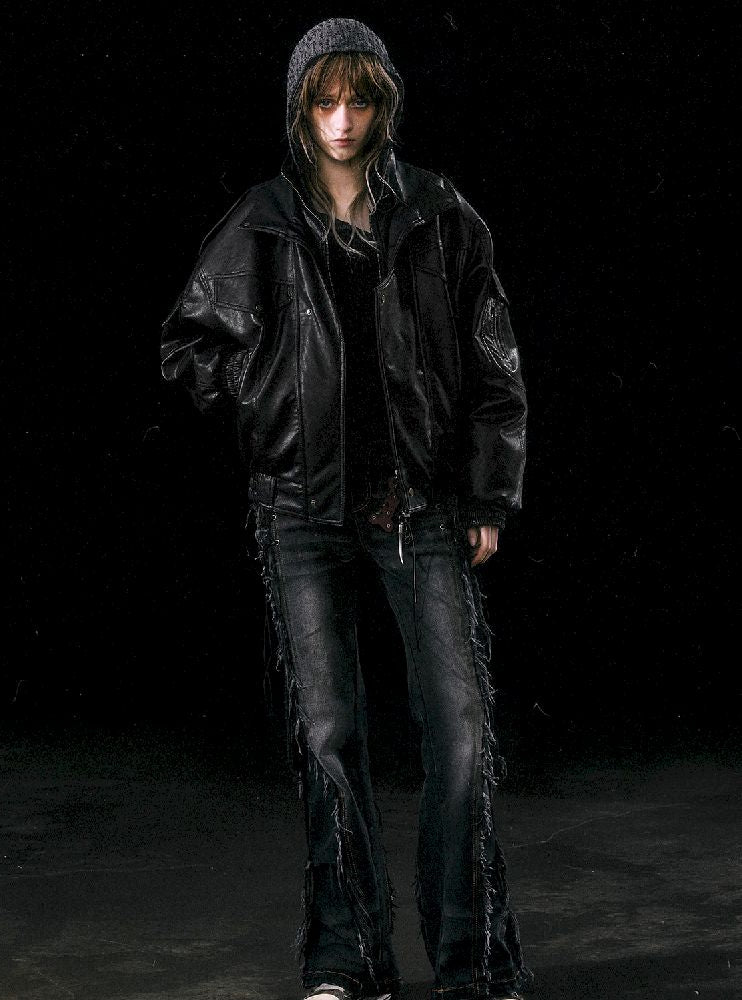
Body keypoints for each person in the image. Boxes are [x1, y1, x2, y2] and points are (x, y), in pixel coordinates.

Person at [160, 17, 533, 1000]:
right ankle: (346, 957)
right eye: (324, 100)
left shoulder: (439, 214)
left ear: (382, 104)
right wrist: (268, 398)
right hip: (301, 509)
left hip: (421, 503)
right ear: (301, 108)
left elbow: (496, 371)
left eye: (358, 99)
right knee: (329, 736)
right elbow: (190, 348)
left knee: (460, 732)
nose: (341, 119)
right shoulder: (264, 220)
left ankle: (471, 963)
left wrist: (488, 494)